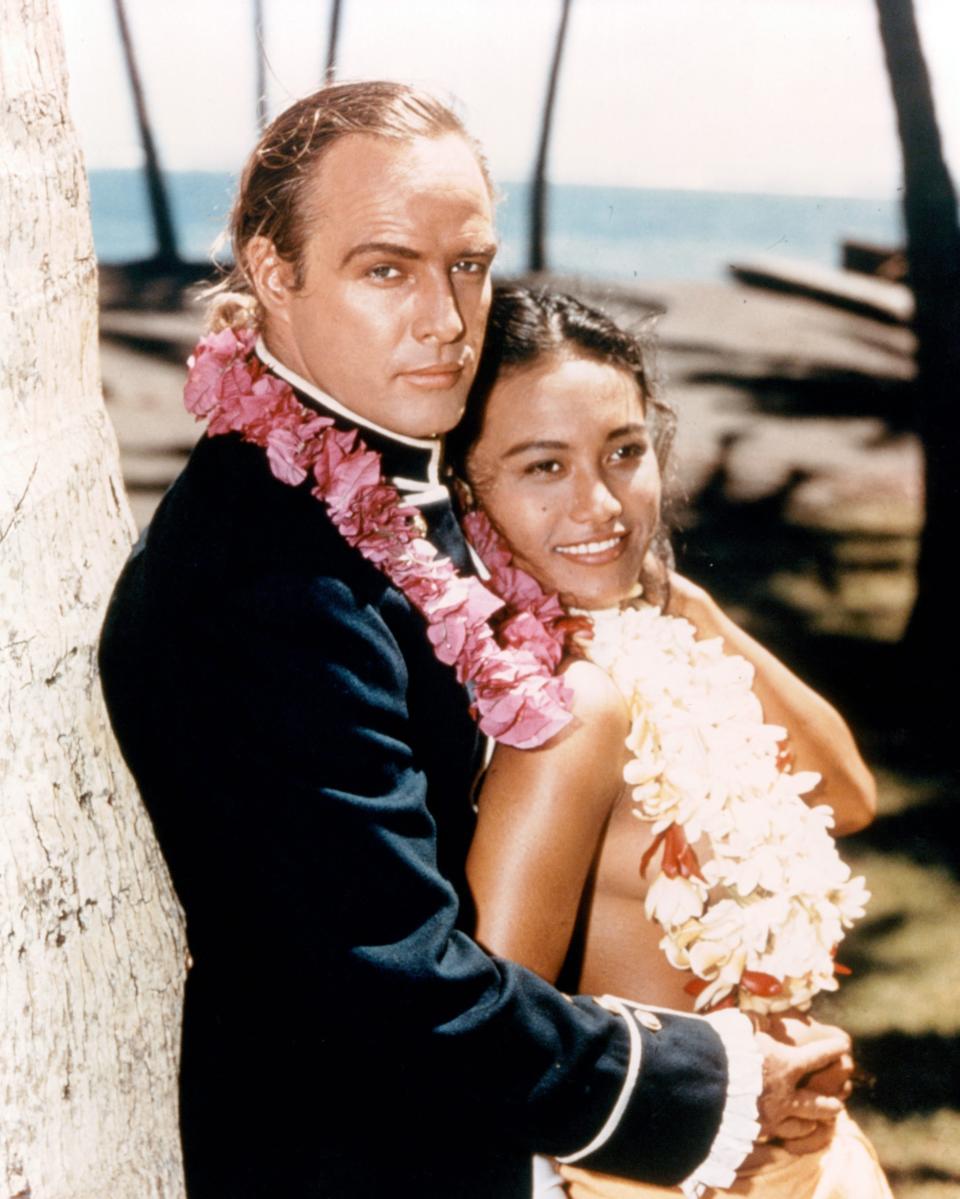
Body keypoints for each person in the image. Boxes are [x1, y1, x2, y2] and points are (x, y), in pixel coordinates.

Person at [99, 83, 851, 1198]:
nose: (449, 322)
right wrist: (711, 1082)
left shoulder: (391, 493)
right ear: (272, 270)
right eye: (387, 268)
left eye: (468, 265)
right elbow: (389, 976)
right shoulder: (264, 571)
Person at [450, 285, 893, 1198]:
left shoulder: (660, 642)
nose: (601, 504)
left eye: (623, 452)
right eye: (543, 467)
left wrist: (679, 600)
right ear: (466, 492)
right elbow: (495, 1043)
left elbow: (845, 793)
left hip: (811, 1161)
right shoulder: (565, 711)